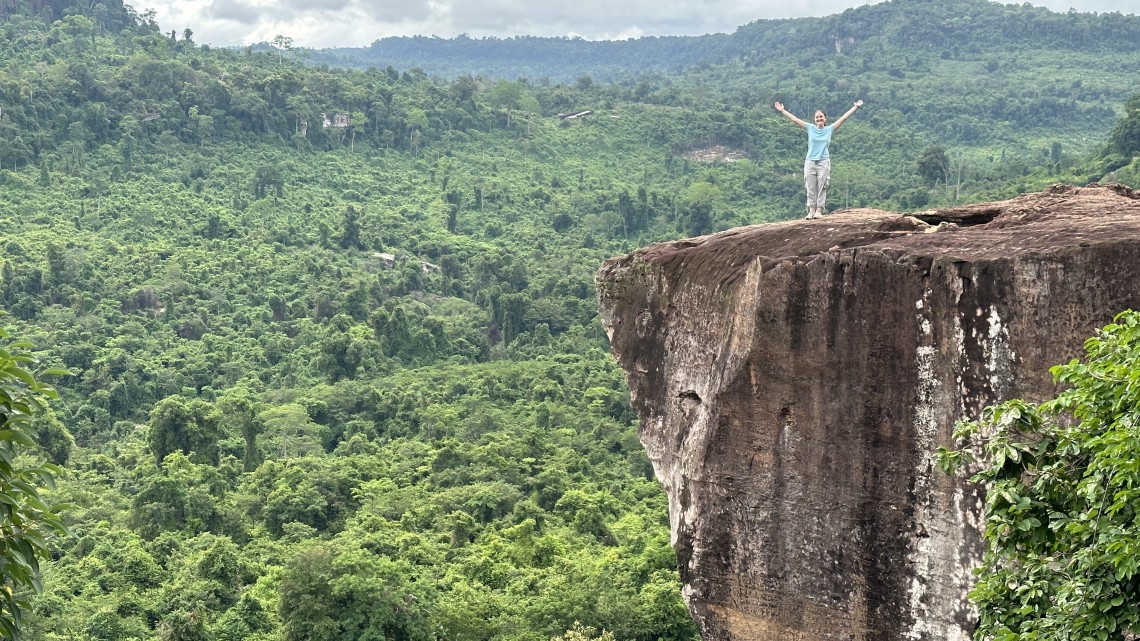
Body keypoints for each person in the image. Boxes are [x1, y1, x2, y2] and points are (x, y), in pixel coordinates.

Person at [774, 99, 864, 219]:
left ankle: (819, 211)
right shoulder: (810, 128)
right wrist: (782, 111)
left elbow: (843, 118)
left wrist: (856, 107)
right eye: (817, 117)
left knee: (822, 186)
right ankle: (811, 210)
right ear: (814, 119)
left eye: (821, 117)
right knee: (810, 186)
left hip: (823, 161)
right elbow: (795, 120)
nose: (819, 119)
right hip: (810, 161)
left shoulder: (829, 129)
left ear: (825, 118)